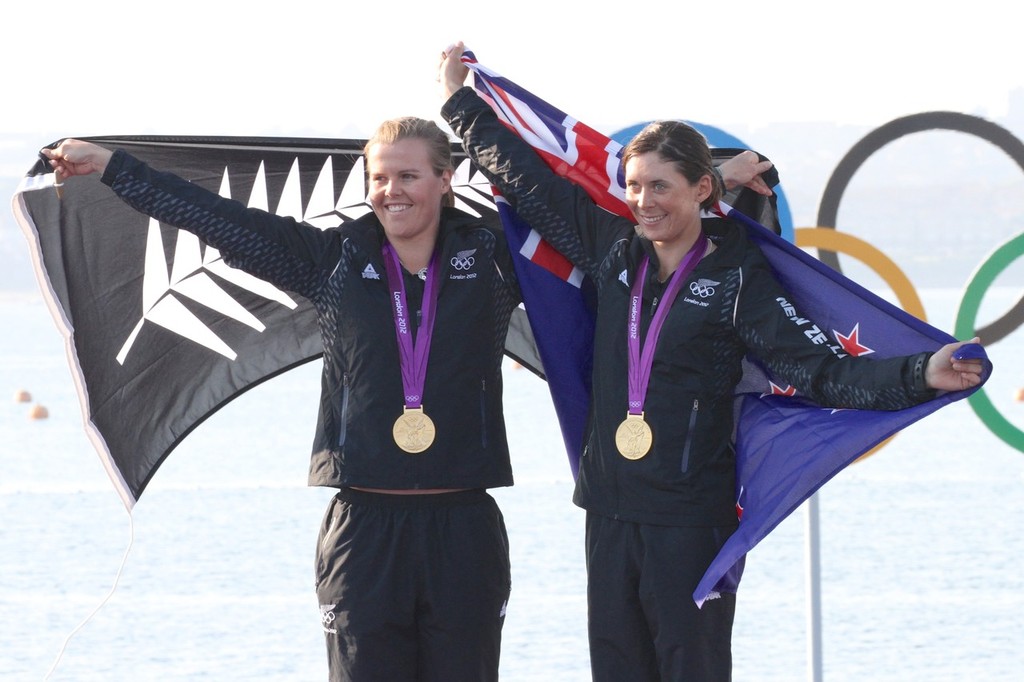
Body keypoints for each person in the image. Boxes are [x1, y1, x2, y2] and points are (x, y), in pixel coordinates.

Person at [437, 41, 985, 681]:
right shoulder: (613, 253)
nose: (643, 201)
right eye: (635, 187)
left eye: (660, 187)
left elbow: (818, 372)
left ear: (702, 189)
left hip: (691, 520)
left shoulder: (739, 279)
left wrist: (920, 373)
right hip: (610, 512)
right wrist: (459, 104)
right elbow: (529, 184)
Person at [43, 122, 519, 682]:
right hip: (364, 531)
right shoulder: (331, 259)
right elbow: (213, 217)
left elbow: (573, 217)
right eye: (379, 176)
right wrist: (111, 164)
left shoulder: (495, 258)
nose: (392, 190)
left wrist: (466, 103)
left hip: (462, 527)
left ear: (445, 179)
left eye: (409, 175)